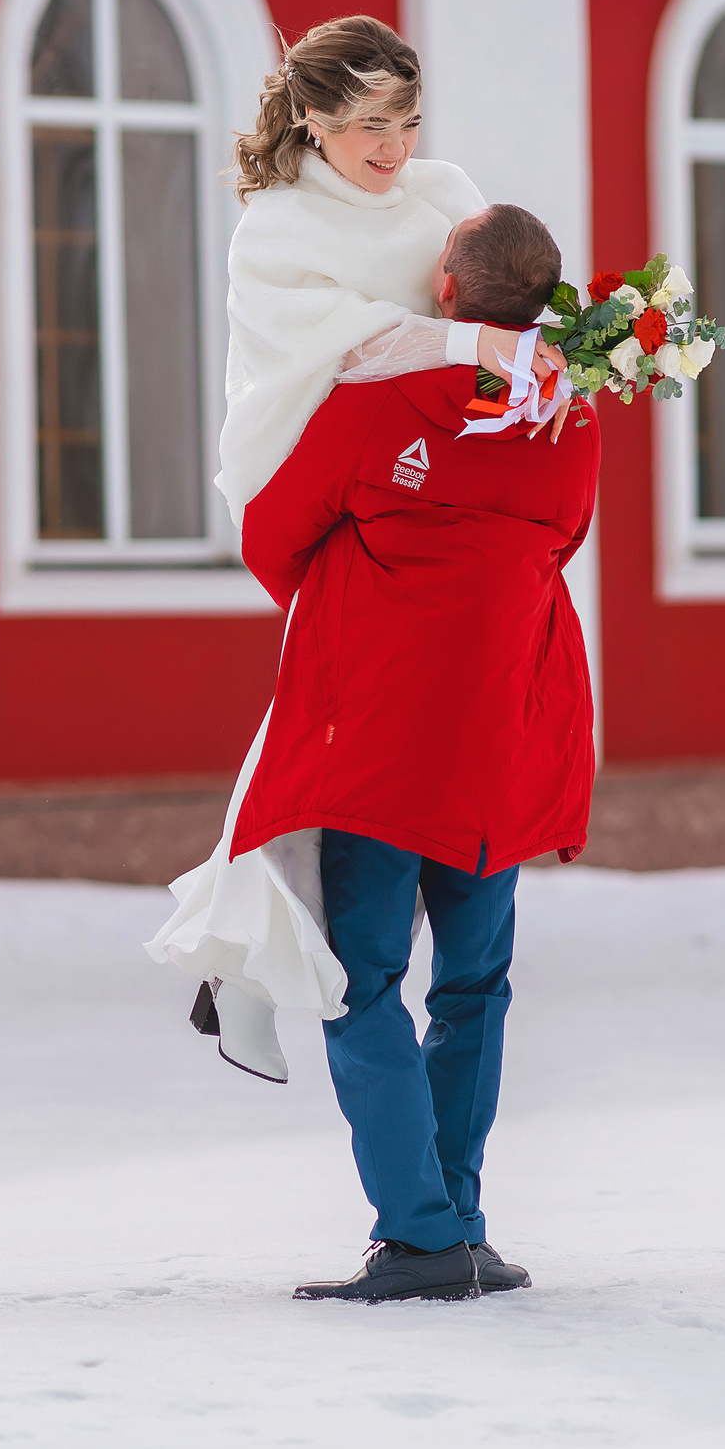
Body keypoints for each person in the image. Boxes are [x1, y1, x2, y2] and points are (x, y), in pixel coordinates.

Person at [146, 17, 564, 1080]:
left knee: (312, 752)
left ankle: (239, 958)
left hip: (437, 489)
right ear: (313, 118)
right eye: (369, 122)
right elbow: (354, 351)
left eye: (407, 119)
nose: (393, 145)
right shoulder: (277, 230)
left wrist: (559, 351)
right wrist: (478, 345)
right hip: (325, 482)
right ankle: (245, 953)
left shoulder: (443, 189)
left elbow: (504, 291)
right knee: (323, 746)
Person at [229, 203, 597, 1303]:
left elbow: (272, 536)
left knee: (363, 980)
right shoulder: (567, 420)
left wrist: (368, 584)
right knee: (475, 983)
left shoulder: (368, 406)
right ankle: (460, 1223)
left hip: (381, 746)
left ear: (444, 285)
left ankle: (420, 1234)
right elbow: (561, 537)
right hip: (498, 743)